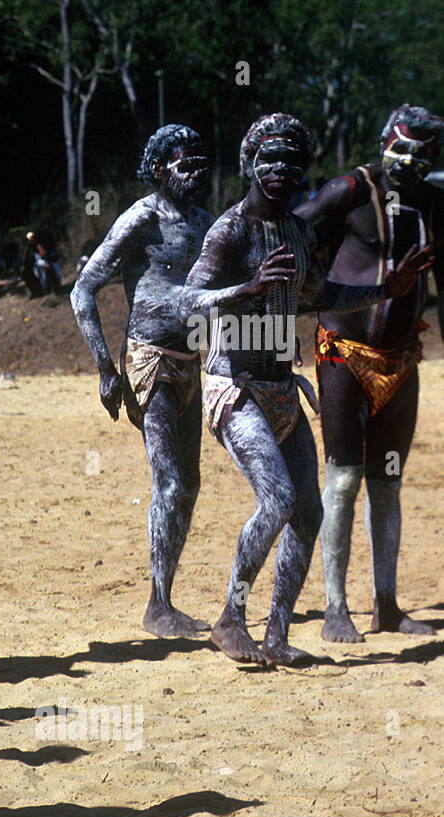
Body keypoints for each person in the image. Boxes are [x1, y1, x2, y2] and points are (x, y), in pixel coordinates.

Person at [177, 113, 432, 666]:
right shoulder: (230, 229)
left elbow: (320, 293)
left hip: (281, 390)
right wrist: (246, 287)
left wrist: (386, 288)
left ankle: (275, 634)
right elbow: (183, 302)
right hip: (234, 385)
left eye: (292, 163)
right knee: (278, 500)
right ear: (250, 165)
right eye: (269, 160)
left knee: (310, 512)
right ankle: (229, 617)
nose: (280, 171)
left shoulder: (297, 232)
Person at [295, 104, 444, 643]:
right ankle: (336, 607)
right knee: (342, 479)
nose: (409, 161)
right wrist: (302, 292)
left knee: (388, 483)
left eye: (422, 153)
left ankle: (386, 604)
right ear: (384, 140)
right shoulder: (350, 191)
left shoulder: (433, 204)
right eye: (401, 148)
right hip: (343, 354)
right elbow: (291, 228)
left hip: (403, 361)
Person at [70, 125, 214, 637]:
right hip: (150, 362)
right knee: (170, 484)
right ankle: (158, 605)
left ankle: (166, 598)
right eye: (184, 165)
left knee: (190, 485)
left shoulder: (205, 224)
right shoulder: (143, 217)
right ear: (158, 171)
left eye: (201, 163)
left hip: (194, 363)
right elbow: (82, 290)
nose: (196, 173)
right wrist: (106, 369)